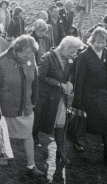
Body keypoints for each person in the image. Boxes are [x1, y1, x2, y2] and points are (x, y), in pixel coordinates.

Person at [0, 35, 44, 175]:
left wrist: (34, 101)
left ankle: (31, 165)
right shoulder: (2, 61)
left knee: (28, 133)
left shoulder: (30, 59)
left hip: (25, 106)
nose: (29, 56)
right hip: (6, 106)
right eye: (26, 53)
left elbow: (35, 81)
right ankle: (1, 157)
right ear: (17, 49)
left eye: (31, 53)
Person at [72, 28, 107, 164]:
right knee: (82, 120)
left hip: (102, 92)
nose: (100, 45)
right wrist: (77, 99)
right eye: (97, 42)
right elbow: (79, 78)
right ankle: (76, 141)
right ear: (92, 41)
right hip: (87, 93)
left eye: (103, 42)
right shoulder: (83, 56)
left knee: (106, 120)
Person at [35, 36, 83, 166]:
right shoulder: (47, 57)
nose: (74, 55)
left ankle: (60, 151)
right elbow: (41, 76)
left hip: (60, 96)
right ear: (65, 48)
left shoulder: (69, 59)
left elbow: (70, 74)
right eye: (73, 51)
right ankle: (35, 140)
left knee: (62, 122)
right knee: (41, 122)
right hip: (47, 97)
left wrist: (69, 82)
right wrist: (58, 84)